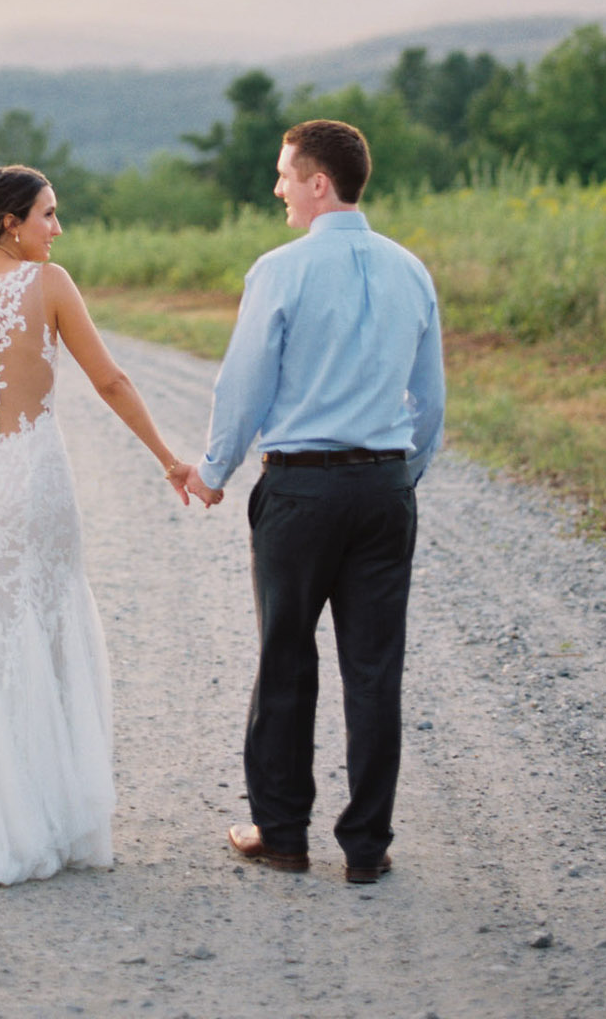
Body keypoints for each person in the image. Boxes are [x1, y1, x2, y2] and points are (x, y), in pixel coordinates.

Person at [0, 163, 193, 888]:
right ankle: (40, 812)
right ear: (11, 222)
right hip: (31, 474)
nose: (58, 229)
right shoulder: (50, 287)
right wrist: (168, 459)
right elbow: (111, 380)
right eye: (48, 215)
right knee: (39, 622)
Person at [184, 118, 445, 884]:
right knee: (374, 669)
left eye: (284, 175)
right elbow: (428, 402)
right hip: (385, 488)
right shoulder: (412, 270)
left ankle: (283, 836)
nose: (277, 189)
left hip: (300, 490)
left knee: (286, 659)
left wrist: (215, 469)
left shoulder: (280, 269)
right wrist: (401, 475)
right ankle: (366, 849)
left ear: (318, 183)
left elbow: (243, 384)